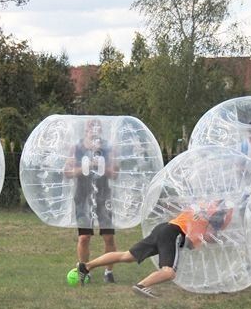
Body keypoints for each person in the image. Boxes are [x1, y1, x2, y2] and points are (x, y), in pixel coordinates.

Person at [72, 200, 233, 298]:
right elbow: (191, 244)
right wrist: (217, 240)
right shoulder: (208, 223)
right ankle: (142, 286)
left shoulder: (201, 205)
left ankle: (86, 266)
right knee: (169, 272)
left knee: (127, 256)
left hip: (163, 228)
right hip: (173, 235)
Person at [64, 118, 118, 283]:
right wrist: (84, 168)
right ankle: (84, 270)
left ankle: (108, 272)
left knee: (108, 237)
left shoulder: (108, 148)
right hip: (82, 197)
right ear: (85, 130)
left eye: (96, 127)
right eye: (90, 127)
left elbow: (115, 174)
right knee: (84, 237)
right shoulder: (76, 148)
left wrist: (101, 167)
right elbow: (67, 172)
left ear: (100, 130)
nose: (93, 129)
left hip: (103, 196)